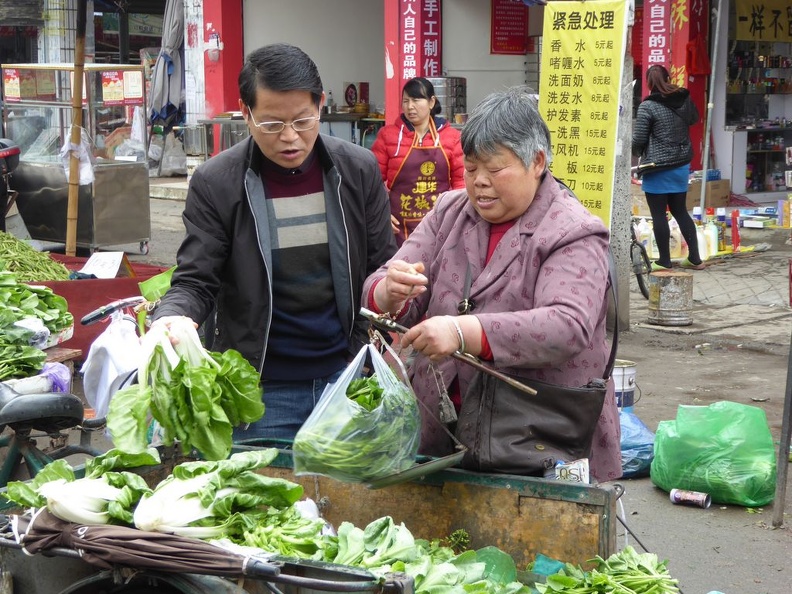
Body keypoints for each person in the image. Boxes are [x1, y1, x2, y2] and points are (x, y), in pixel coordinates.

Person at [362, 86, 622, 483]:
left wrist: (461, 331)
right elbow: (391, 279)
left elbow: (567, 325)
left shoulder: (574, 230)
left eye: (495, 169)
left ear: (537, 162)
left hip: (538, 442)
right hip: (443, 434)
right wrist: (388, 292)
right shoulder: (450, 211)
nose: (479, 182)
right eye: (470, 168)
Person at [152, 43, 397, 441]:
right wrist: (172, 316)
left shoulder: (357, 170)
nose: (289, 138)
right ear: (245, 113)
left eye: (302, 121)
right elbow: (196, 279)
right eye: (271, 124)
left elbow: (381, 267)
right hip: (259, 394)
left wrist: (389, 303)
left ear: (320, 105)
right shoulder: (217, 182)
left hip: (345, 381)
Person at [370, 77, 464, 245]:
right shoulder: (388, 135)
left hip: (440, 224)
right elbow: (373, 181)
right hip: (398, 227)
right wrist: (381, 214)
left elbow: (461, 182)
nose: (410, 106)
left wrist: (456, 216)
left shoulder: (452, 137)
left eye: (416, 100)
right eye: (405, 101)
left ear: (431, 102)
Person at [632, 64, 705, 271]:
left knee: (658, 214)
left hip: (656, 166)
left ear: (648, 83)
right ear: (668, 77)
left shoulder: (648, 106)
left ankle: (664, 261)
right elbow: (693, 119)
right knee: (680, 211)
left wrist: (637, 152)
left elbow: (639, 138)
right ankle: (695, 258)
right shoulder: (684, 98)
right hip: (681, 164)